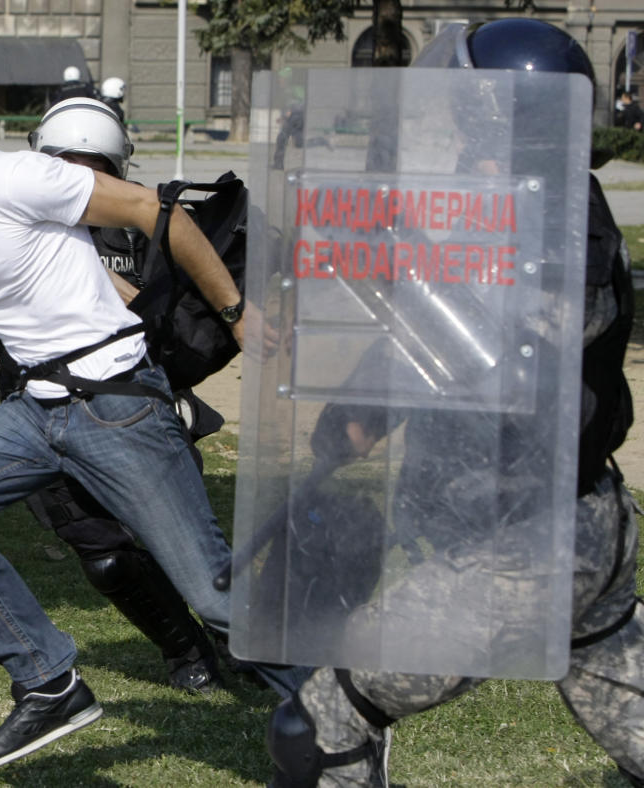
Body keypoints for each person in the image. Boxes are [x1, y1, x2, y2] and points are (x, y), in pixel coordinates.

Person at [0, 86, 308, 773]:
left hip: (116, 406)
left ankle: (343, 708)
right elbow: (47, 272)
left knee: (215, 598)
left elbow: (151, 209)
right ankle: (49, 682)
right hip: (36, 410)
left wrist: (234, 314)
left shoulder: (12, 178)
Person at [264, 20, 644, 787]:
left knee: (319, 717)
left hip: (529, 546)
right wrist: (360, 410)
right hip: (567, 528)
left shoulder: (569, 227)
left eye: (470, 104)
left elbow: (503, 364)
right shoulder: (506, 198)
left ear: (504, 112)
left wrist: (392, 262)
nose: (455, 116)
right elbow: (439, 337)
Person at [0, 97, 226, 694]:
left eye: (92, 166)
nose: (76, 178)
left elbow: (174, 311)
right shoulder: (8, 217)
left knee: (180, 539)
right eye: (63, 164)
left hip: (133, 406)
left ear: (117, 168)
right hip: (40, 407)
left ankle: (237, 634)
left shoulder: (143, 223)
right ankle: (184, 649)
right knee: (106, 553)